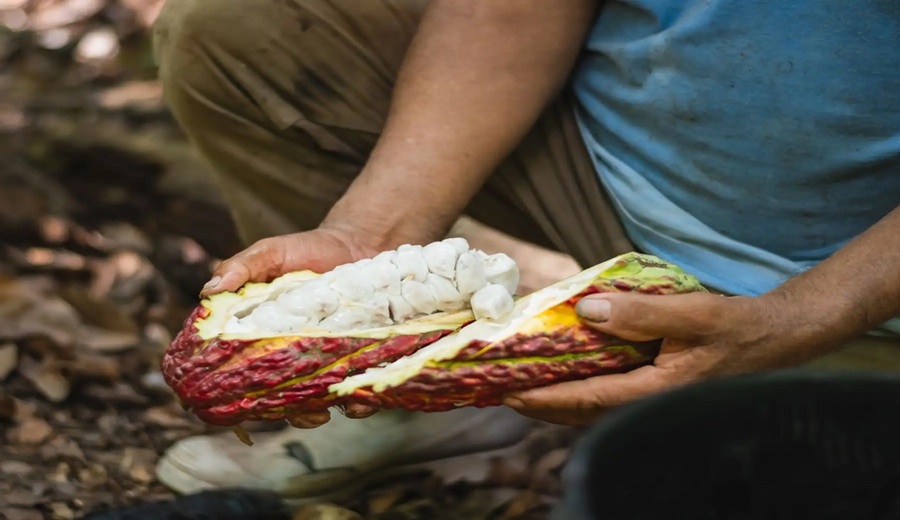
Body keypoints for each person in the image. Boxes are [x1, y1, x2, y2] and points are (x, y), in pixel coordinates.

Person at [149, 0, 900, 502]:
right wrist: (371, 235)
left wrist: (802, 314)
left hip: (869, 287)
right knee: (243, 30)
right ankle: (415, 389)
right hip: (612, 177)